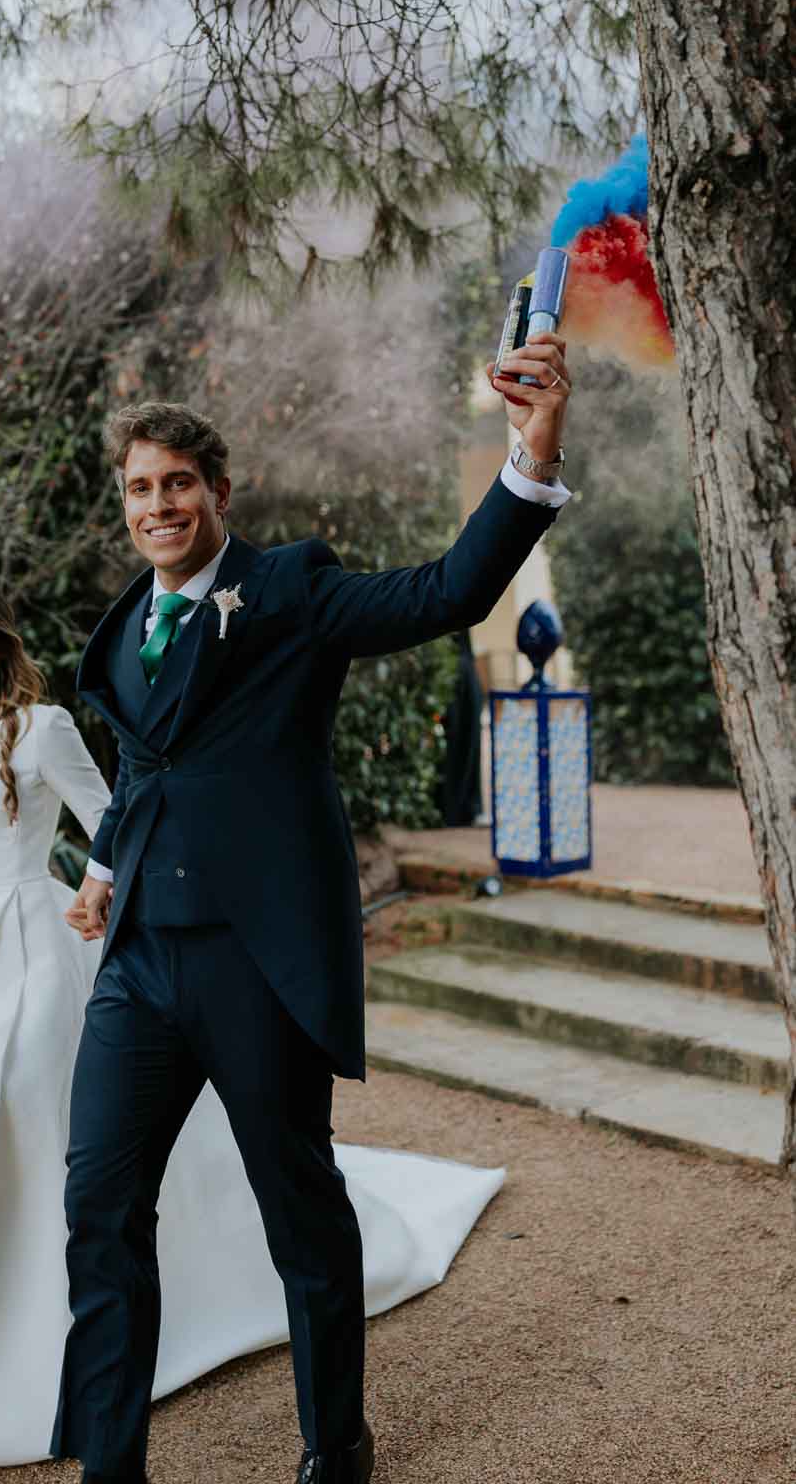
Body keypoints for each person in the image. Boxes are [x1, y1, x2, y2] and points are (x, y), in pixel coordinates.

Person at [0, 577, 511, 1466]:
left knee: (41, 1145)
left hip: (27, 954)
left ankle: (44, 1357)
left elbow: (117, 815)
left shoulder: (41, 729)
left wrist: (100, 889)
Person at [52, 332, 573, 1484]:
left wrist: (530, 455)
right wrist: (103, 866)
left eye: (177, 483)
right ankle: (109, 1466)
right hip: (139, 965)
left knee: (299, 1209)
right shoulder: (124, 624)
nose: (156, 504)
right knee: (97, 1204)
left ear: (218, 491)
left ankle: (336, 1446)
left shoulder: (289, 588)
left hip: (256, 962)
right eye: (139, 488)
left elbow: (446, 590)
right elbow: (144, 762)